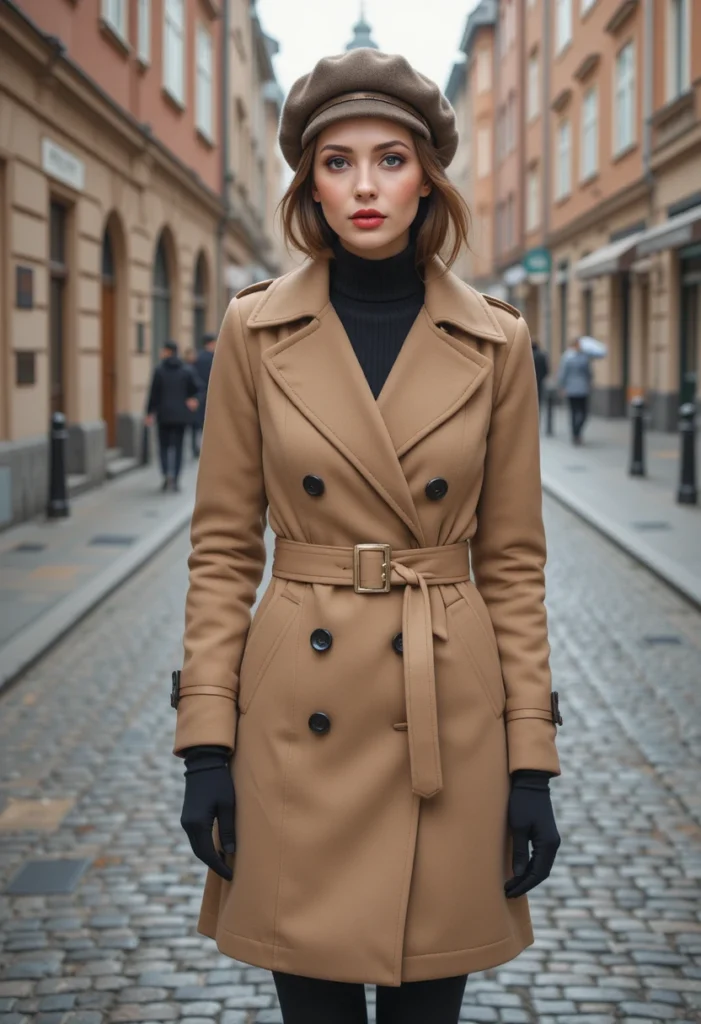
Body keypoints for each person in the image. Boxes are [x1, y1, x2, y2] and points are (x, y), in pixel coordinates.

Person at [173, 49, 562, 1024]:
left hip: (445, 716)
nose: (363, 186)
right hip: (296, 720)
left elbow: (512, 564)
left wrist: (529, 761)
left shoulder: (496, 340)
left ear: (427, 174)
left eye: (389, 158)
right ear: (308, 182)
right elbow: (222, 549)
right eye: (336, 162)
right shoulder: (253, 332)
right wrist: (205, 746)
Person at [145, 341, 199, 492]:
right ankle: (175, 478)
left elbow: (153, 394)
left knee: (163, 447)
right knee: (179, 447)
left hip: (164, 415)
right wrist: (193, 399)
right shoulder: (186, 370)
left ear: (167, 351)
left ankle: (165, 475)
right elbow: (197, 389)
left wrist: (149, 413)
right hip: (181, 416)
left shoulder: (159, 370)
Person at [557, 336, 593, 445]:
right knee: (579, 412)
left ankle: (575, 432)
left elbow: (563, 373)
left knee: (579, 412)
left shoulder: (568, 357)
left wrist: (562, 386)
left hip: (577, 389)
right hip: (578, 389)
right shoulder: (580, 357)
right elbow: (589, 374)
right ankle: (576, 433)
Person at [193, 333, 218, 445]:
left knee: (198, 421)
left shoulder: (197, 358)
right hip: (211, 393)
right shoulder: (214, 358)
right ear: (211, 343)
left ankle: (196, 446)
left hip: (199, 393)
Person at [183, 347, 203, 458]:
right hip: (188, 403)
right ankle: (194, 448)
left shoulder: (195, 367)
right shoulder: (187, 369)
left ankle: (194, 448)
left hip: (192, 402)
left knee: (195, 427)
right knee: (193, 427)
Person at [531, 337, 550, 412]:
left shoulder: (529, 356)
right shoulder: (542, 356)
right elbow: (546, 369)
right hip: (540, 380)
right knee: (539, 399)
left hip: (529, 381)